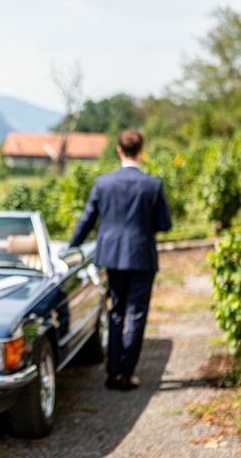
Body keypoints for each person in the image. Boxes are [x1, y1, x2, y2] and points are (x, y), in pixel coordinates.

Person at [69, 129, 172, 391]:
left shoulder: (103, 183)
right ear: (141, 150)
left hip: (112, 257)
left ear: (118, 150)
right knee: (136, 314)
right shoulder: (153, 184)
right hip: (141, 256)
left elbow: (87, 220)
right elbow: (165, 224)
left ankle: (112, 372)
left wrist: (71, 248)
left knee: (116, 312)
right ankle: (126, 374)